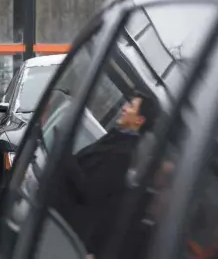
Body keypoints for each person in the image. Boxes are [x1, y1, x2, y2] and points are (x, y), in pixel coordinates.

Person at [51, 92, 157, 258]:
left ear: (139, 120)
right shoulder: (116, 138)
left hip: (61, 229)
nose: (124, 107)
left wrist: (64, 155)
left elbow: (90, 191)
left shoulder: (123, 155)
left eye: (131, 106)